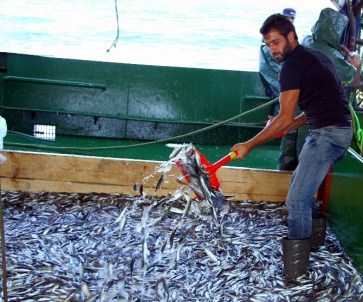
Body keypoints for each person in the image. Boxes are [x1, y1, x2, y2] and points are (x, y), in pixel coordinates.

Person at [232, 14, 353, 279]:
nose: (273, 49)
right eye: (268, 44)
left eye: (276, 42)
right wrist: (290, 125)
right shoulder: (314, 57)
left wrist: (249, 144)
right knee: (302, 189)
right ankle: (315, 244)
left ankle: (297, 273)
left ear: (291, 36)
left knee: (296, 199)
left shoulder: (291, 67)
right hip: (338, 131)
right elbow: (316, 106)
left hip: (327, 135)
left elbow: (284, 116)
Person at [259, 7, 307, 171]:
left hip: (300, 106)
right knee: (289, 138)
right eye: (269, 44)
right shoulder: (272, 51)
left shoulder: (297, 54)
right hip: (286, 98)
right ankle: (284, 172)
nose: (272, 48)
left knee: (297, 136)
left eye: (291, 19)